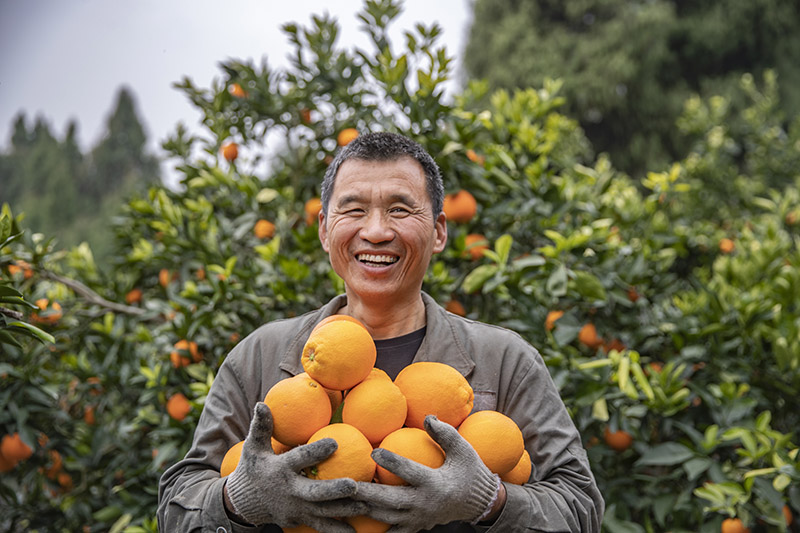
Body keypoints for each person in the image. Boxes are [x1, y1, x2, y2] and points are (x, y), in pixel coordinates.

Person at [157, 132, 605, 532]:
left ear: (438, 232)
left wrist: (490, 502)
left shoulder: (504, 361)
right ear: (325, 230)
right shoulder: (258, 356)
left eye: (399, 209)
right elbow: (176, 508)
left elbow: (580, 507)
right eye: (353, 209)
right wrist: (239, 501)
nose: (375, 231)